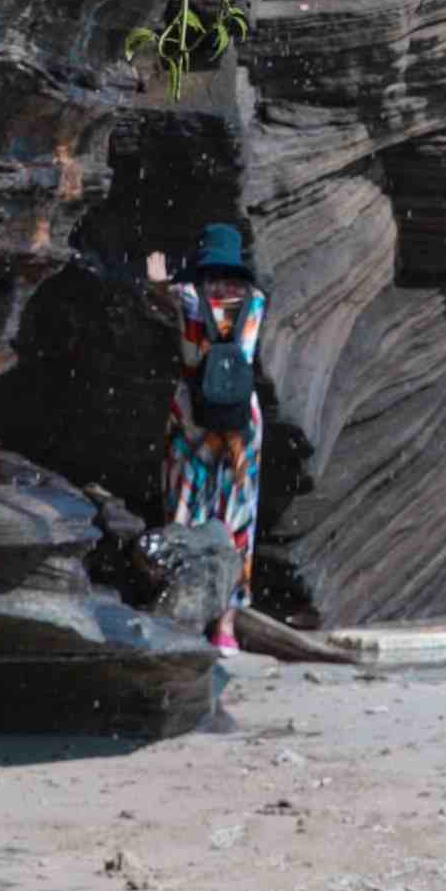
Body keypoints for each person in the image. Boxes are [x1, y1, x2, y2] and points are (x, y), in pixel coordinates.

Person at [142, 218, 266, 667]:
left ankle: (182, 616)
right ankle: (226, 627)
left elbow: (159, 294)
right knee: (237, 518)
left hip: (191, 416)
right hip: (240, 421)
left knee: (184, 512)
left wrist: (158, 278)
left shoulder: (188, 298)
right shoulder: (255, 303)